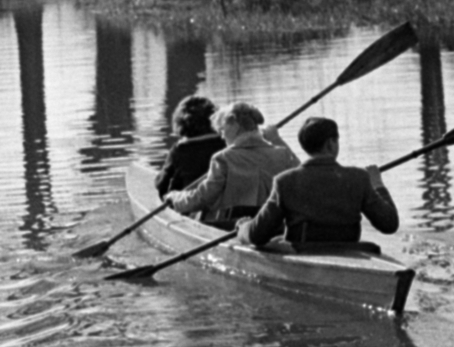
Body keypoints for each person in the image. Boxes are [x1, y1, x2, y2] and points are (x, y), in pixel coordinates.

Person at [239, 116, 398, 247]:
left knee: (272, 241)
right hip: (348, 251)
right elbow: (389, 225)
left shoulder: (284, 181)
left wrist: (243, 227)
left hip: (303, 253)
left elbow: (256, 236)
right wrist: (377, 183)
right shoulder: (359, 177)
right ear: (331, 143)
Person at [164, 101, 298, 228]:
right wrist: (277, 139)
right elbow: (303, 176)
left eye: (222, 130)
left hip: (232, 226)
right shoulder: (282, 153)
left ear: (233, 126)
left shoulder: (223, 158)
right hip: (274, 225)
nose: (222, 137)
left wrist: (176, 198)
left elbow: (202, 199)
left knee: (199, 212)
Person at [155, 95, 225, 195]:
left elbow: (160, 184)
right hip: (221, 201)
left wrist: (158, 179)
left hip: (188, 205)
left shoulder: (179, 149)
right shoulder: (225, 143)